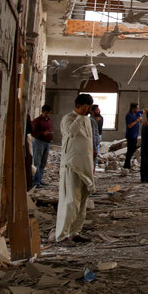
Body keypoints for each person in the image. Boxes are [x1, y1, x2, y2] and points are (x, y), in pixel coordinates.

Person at [54, 94, 96, 243]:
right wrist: (80, 117)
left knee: (82, 202)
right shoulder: (68, 119)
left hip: (85, 165)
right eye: (86, 106)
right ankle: (61, 235)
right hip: (71, 164)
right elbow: (71, 133)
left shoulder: (88, 120)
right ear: (79, 105)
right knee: (71, 201)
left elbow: (89, 141)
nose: (88, 110)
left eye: (89, 107)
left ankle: (74, 232)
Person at [31, 105, 55, 187]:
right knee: (37, 162)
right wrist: (42, 133)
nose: (47, 115)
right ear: (42, 112)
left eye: (49, 113)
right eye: (46, 113)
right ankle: (35, 181)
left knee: (43, 163)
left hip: (47, 143)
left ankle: (40, 179)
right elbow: (33, 133)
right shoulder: (37, 121)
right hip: (39, 142)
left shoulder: (49, 120)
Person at [124, 103, 144, 171]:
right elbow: (129, 125)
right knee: (130, 150)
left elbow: (144, 111)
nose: (138, 109)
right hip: (130, 135)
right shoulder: (129, 115)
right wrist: (137, 120)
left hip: (135, 135)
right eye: (137, 108)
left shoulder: (136, 113)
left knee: (132, 149)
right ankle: (126, 165)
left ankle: (127, 164)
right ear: (133, 109)